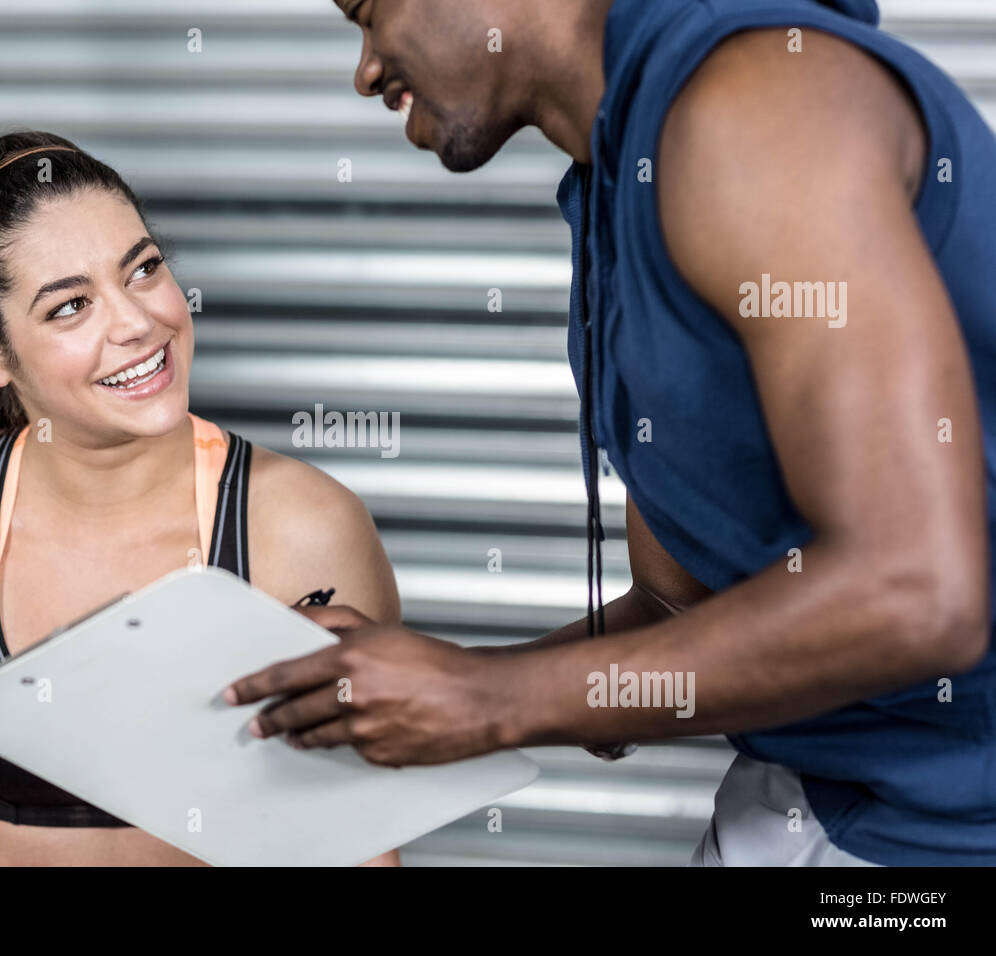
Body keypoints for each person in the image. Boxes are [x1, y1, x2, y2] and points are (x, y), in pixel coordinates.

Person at [227, 0, 996, 866]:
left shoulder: (753, 103)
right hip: (813, 798)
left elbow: (916, 594)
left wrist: (488, 699)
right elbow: (679, 608)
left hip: (947, 835)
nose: (366, 68)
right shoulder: (619, 178)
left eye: (369, 12)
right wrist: (422, 681)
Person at [0, 130, 402, 866]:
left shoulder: (304, 528)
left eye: (142, 270)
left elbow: (356, 849)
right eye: (70, 306)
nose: (137, 323)